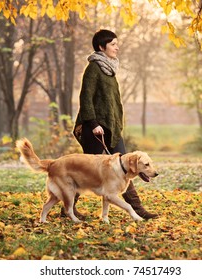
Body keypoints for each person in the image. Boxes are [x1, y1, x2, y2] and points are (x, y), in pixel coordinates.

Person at [66, 29, 158, 220]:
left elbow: (112, 102)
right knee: (87, 170)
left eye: (117, 43)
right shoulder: (93, 68)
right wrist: (92, 123)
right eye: (113, 44)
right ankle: (67, 209)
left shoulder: (110, 69)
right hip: (95, 129)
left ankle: (138, 208)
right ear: (102, 46)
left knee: (126, 166)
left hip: (111, 128)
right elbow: (86, 98)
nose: (117, 47)